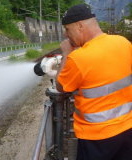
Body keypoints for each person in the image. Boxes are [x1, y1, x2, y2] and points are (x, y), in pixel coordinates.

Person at [55, 4, 132, 160]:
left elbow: (60, 87)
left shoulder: (78, 59)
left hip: (96, 138)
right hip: (127, 129)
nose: (66, 35)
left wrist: (66, 55)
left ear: (80, 26)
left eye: (68, 29)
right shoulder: (124, 43)